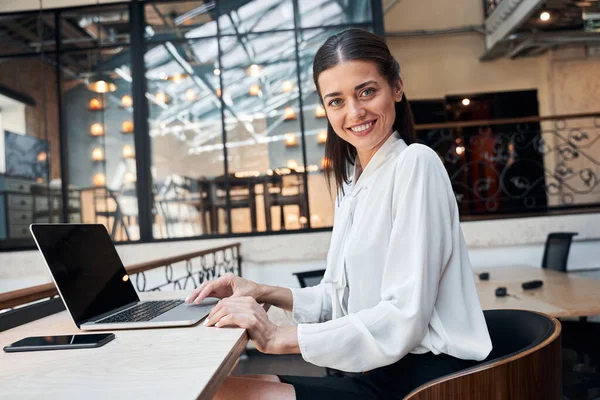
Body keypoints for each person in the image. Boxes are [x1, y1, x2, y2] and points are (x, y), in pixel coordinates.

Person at [186, 28, 492, 400]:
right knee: (216, 390)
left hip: (427, 381)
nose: (354, 112)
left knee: (227, 396)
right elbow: (336, 299)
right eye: (336, 101)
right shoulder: (352, 183)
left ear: (396, 87)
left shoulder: (416, 163)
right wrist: (261, 291)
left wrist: (278, 337)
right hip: (377, 370)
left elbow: (403, 316)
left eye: (366, 91)